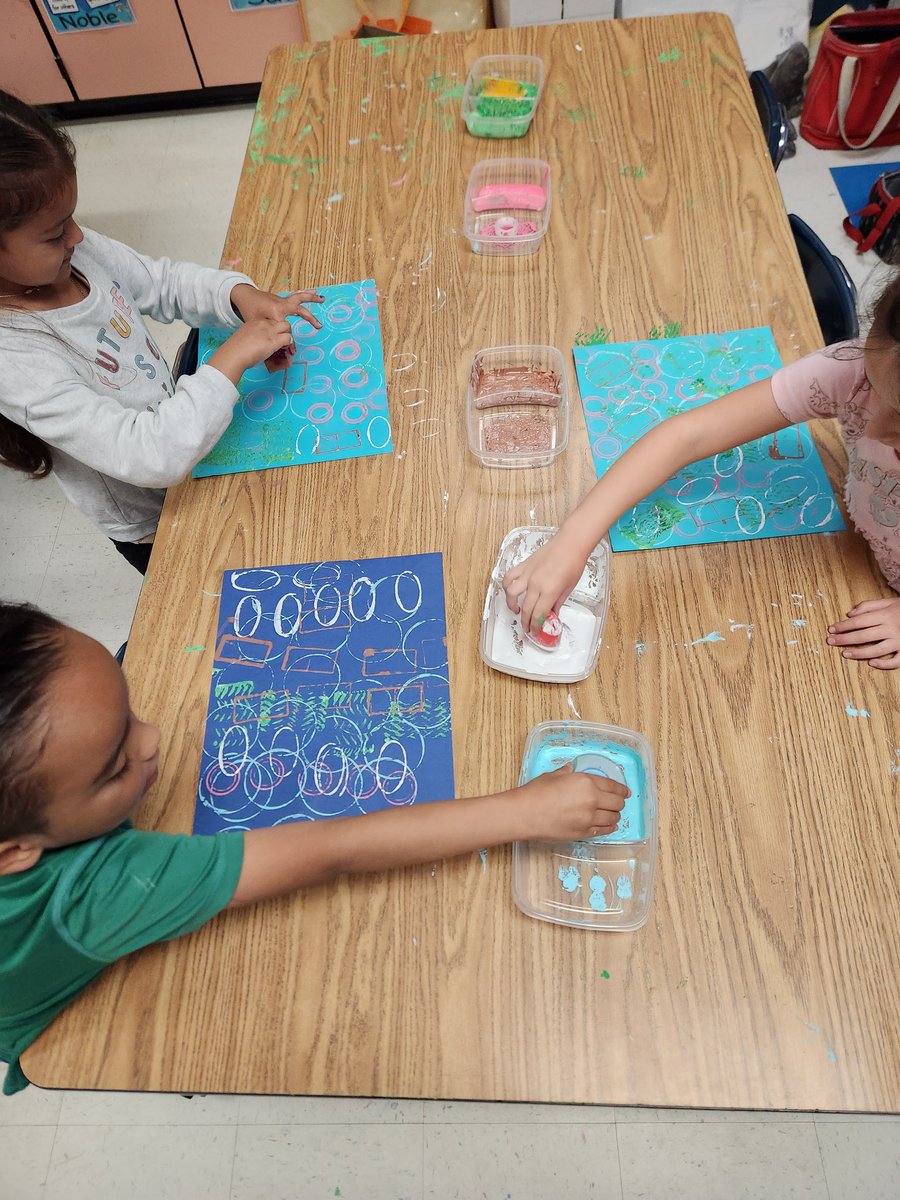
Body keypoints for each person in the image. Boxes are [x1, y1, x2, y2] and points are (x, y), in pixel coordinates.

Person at [0, 602, 628, 1095]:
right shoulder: (99, 889)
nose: (156, 736)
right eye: (115, 767)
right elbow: (333, 848)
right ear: (14, 851)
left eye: (131, 709)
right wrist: (523, 810)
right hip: (59, 1023)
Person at [0, 89, 323, 574]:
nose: (77, 237)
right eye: (53, 234)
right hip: (156, 519)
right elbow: (147, 453)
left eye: (72, 219)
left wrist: (239, 298)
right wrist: (229, 361)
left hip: (192, 444)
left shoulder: (73, 251)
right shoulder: (15, 358)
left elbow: (161, 282)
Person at [504, 278, 900, 671]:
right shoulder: (851, 371)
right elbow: (687, 437)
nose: (876, 428)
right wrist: (573, 540)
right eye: (876, 390)